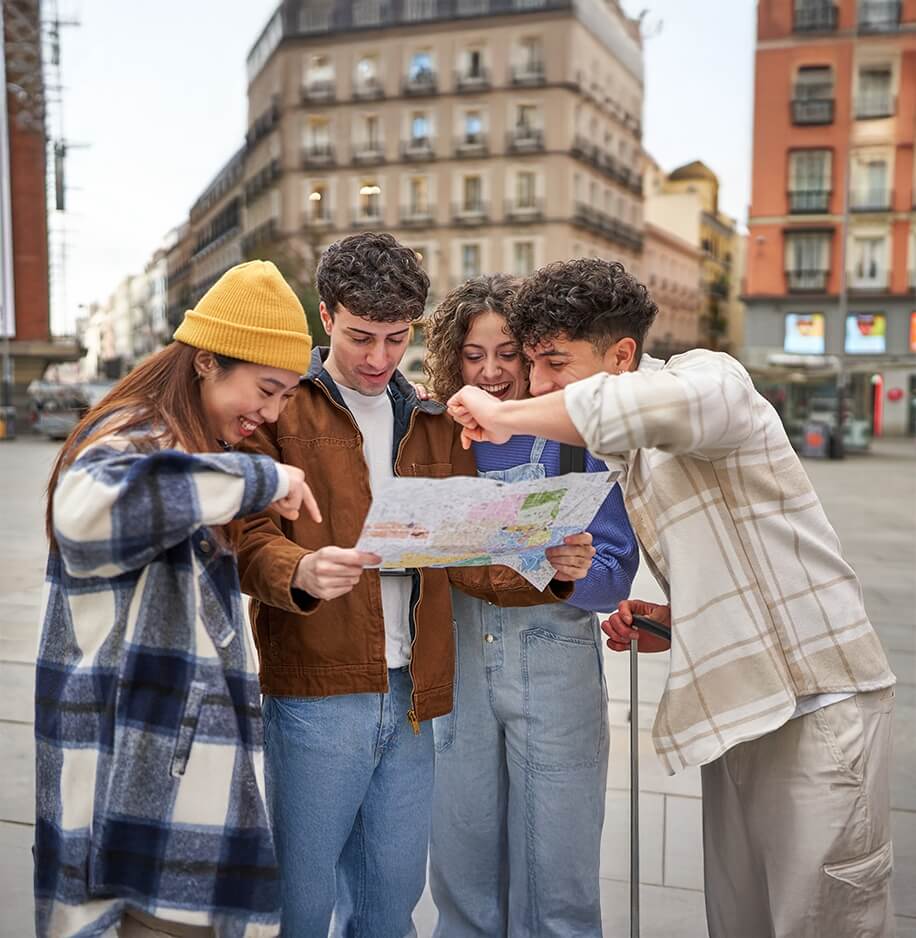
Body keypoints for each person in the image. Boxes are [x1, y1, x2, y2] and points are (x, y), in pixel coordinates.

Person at [447, 259, 896, 938]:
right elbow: (744, 560)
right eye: (531, 364)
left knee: (822, 923)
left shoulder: (712, 380)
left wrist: (503, 414)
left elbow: (623, 407)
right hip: (744, 711)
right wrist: (680, 620)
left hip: (819, 705)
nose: (538, 383)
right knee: (740, 923)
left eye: (552, 362)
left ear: (622, 355)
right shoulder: (634, 448)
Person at [235, 233, 593, 938]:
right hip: (318, 688)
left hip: (417, 700)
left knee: (388, 908)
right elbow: (246, 538)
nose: (378, 360)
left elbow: (469, 555)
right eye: (361, 337)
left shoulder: (433, 424)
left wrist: (547, 569)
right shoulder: (284, 409)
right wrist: (300, 570)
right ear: (326, 315)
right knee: (301, 908)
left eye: (396, 340)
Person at [34, 260, 320, 938]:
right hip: (137, 791)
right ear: (207, 363)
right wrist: (257, 476)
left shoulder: (187, 445)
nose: (271, 413)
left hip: (167, 790)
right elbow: (83, 511)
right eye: (266, 389)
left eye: (285, 398)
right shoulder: (138, 431)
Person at [422, 275, 638, 937]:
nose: (491, 372)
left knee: (559, 888)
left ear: (532, 355)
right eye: (473, 355)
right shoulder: (429, 439)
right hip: (459, 672)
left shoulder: (577, 438)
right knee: (462, 884)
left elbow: (614, 575)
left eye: (508, 353)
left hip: (555, 671)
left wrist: (571, 574)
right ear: (451, 359)